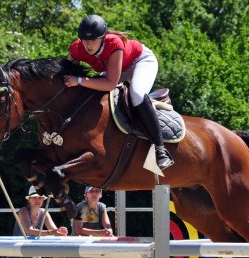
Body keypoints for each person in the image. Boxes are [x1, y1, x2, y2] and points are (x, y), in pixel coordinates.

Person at [64, 14, 174, 171]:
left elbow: (110, 83)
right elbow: (66, 73)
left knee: (136, 94)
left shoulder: (113, 43)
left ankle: (160, 149)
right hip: (116, 69)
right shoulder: (76, 48)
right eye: (84, 39)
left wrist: (80, 80)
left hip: (140, 62)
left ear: (102, 38)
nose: (88, 44)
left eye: (93, 39)